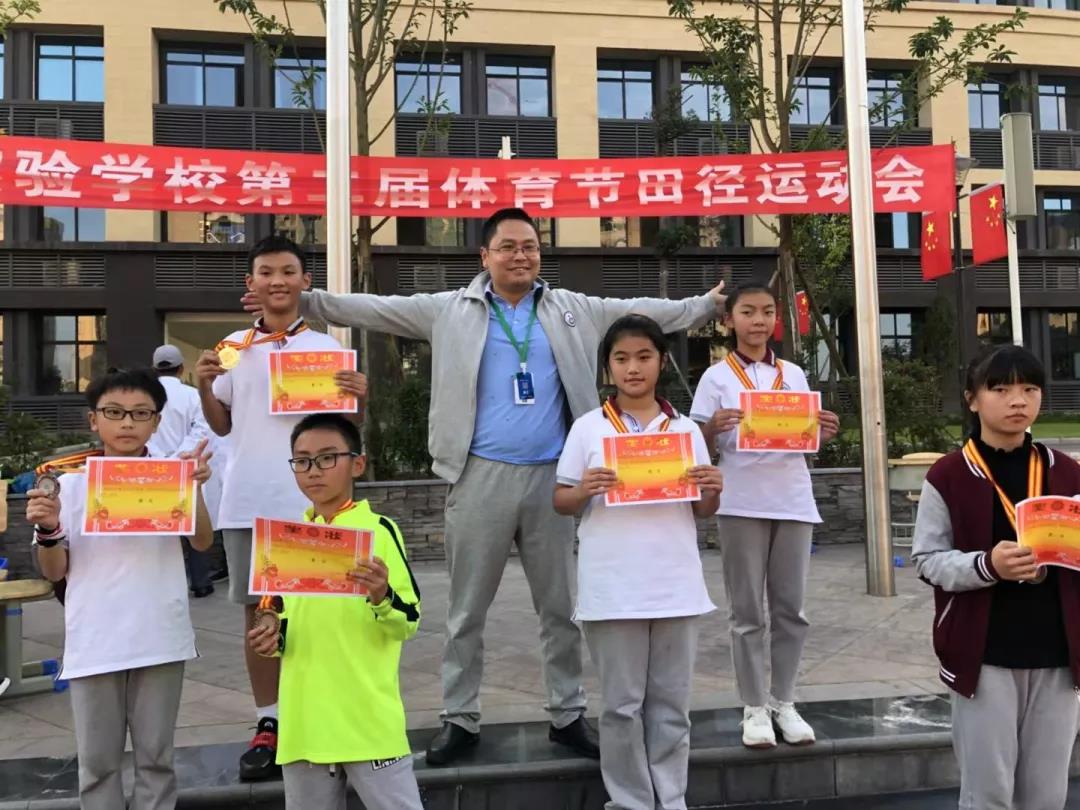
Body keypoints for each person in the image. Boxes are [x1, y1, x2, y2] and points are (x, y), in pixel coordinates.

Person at [249, 207, 728, 765]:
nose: (520, 255)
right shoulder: (450, 309)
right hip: (480, 475)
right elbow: (376, 308)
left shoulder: (573, 308)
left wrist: (705, 305)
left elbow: (646, 311)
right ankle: (460, 718)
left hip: (553, 476)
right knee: (466, 611)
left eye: (530, 246)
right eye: (508, 247)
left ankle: (567, 713)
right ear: (485, 256)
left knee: (559, 609)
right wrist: (303, 299)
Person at [196, 235, 368, 781]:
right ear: (251, 283)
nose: (278, 281)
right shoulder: (232, 348)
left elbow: (345, 429)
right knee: (260, 618)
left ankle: (326, 714)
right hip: (249, 501)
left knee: (327, 614)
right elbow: (223, 425)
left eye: (288, 271)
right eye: (266, 272)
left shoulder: (326, 348)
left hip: (314, 504)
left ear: (304, 281)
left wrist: (359, 398)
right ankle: (269, 722)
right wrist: (204, 387)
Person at [24, 367, 214, 810]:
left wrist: (195, 490)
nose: (127, 422)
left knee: (156, 762)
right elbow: (55, 569)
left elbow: (203, 542)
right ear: (94, 419)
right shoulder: (69, 485)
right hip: (95, 641)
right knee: (97, 767)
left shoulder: (172, 477)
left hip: (160, 638)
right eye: (114, 412)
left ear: (157, 421)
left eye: (140, 413)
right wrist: (49, 528)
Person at [554, 315, 722, 810]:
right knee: (621, 707)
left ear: (661, 362)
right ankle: (630, 801)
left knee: (671, 705)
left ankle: (671, 797)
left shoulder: (685, 430)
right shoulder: (588, 428)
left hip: (675, 585)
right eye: (622, 358)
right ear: (607, 366)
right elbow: (561, 500)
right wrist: (584, 489)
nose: (633, 368)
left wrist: (714, 489)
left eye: (644, 356)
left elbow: (702, 510)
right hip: (612, 588)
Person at [912, 345, 1080, 810]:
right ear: (972, 399)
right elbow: (927, 559)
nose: (1017, 401)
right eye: (1000, 389)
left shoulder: (1066, 472)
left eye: (1029, 389)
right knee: (988, 795)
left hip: (1058, 657)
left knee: (1047, 796)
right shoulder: (949, 475)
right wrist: (988, 566)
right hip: (984, 658)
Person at [689, 283, 840, 749]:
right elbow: (694, 444)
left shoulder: (793, 374)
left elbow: (803, 439)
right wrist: (712, 427)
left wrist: (822, 432)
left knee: (791, 610)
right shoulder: (716, 377)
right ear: (729, 320)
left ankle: (784, 701)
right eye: (748, 312)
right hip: (740, 502)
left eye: (767, 312)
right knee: (747, 611)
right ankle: (754, 705)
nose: (758, 320)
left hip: (792, 500)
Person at [247, 412, 423, 810]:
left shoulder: (379, 531)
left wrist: (382, 596)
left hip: (368, 720)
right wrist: (271, 635)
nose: (314, 470)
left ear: (357, 464)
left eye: (328, 458)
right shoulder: (286, 542)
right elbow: (281, 620)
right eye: (302, 460)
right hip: (304, 724)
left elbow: (409, 621)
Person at [149, 344, 215, 598]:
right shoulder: (192, 395)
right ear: (181, 368)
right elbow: (202, 430)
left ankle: (161, 586)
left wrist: (161, 458)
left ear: (154, 368)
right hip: (187, 468)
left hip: (152, 468)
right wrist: (180, 458)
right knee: (192, 525)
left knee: (159, 529)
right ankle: (201, 583)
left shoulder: (147, 395)